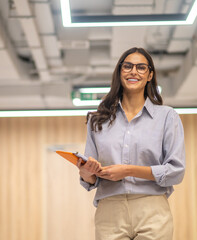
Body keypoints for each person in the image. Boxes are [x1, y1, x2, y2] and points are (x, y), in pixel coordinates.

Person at [76, 47, 185, 240]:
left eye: (141, 67)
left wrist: (127, 170)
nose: (133, 71)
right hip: (110, 210)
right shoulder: (97, 120)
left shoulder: (167, 117)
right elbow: (92, 177)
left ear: (150, 74)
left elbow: (175, 171)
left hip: (152, 209)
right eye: (127, 66)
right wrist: (86, 174)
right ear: (119, 72)